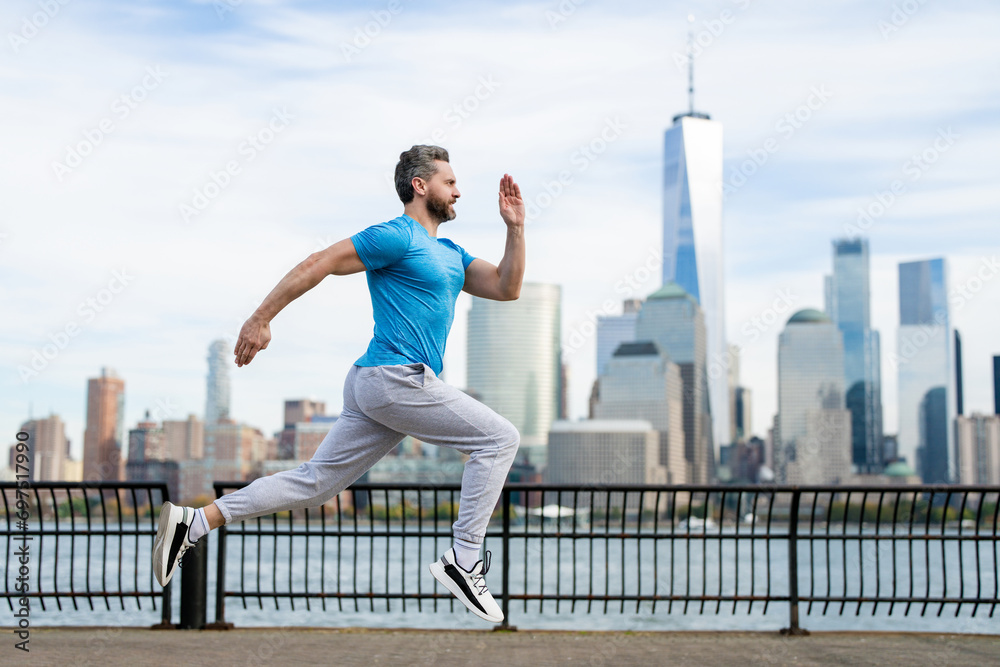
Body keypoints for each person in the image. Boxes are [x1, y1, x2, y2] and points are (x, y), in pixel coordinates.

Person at [152, 145, 524, 624]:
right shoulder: (397, 236)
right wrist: (260, 318)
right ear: (420, 186)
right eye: (449, 181)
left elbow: (507, 287)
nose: (458, 190)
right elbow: (321, 261)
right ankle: (465, 558)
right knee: (500, 438)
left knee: (316, 485)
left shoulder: (452, 254)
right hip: (394, 377)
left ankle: (195, 521)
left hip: (378, 385)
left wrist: (514, 229)